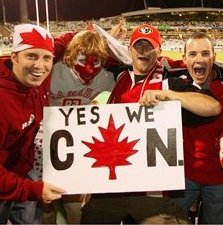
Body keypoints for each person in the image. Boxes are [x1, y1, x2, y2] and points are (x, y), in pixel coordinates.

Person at [80, 24, 221, 224]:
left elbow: (212, 106)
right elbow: (84, 53)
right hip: (112, 182)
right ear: (129, 50)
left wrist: (167, 94)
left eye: (149, 46)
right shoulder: (117, 74)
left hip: (149, 189)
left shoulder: (169, 80)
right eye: (139, 46)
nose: (144, 51)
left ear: (159, 51)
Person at [42, 22, 127, 224]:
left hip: (78, 149)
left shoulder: (108, 79)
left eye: (96, 62)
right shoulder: (51, 71)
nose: (89, 68)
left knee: (74, 207)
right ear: (70, 57)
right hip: (45, 147)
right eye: (82, 60)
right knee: (44, 206)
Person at [0, 23, 65, 224]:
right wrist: (31, 189)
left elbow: (61, 44)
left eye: (47, 58)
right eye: (31, 56)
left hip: (22, 170)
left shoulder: (35, 77)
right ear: (14, 57)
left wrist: (95, 32)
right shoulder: (1, 100)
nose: (40, 66)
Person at [167, 32, 223, 224]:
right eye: (192, 54)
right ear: (184, 59)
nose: (199, 59)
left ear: (214, 57)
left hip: (218, 179)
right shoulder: (177, 86)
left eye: (205, 53)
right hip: (183, 177)